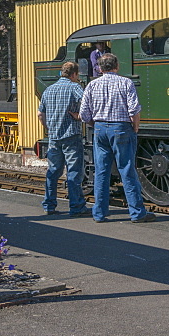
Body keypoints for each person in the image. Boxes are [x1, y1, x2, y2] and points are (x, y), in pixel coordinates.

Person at [79, 52, 153, 223]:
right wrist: (135, 127)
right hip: (121, 128)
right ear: (116, 66)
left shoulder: (92, 85)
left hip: (100, 128)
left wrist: (95, 124)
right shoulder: (126, 83)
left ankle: (99, 213)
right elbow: (134, 109)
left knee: (101, 172)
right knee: (127, 170)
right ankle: (137, 213)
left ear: (99, 68)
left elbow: (84, 114)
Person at [38, 61, 89, 216]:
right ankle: (76, 206)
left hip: (54, 137)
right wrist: (79, 116)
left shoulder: (49, 90)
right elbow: (88, 104)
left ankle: (49, 205)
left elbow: (40, 114)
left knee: (53, 171)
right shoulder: (75, 87)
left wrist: (48, 127)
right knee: (73, 172)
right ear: (74, 74)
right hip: (71, 136)